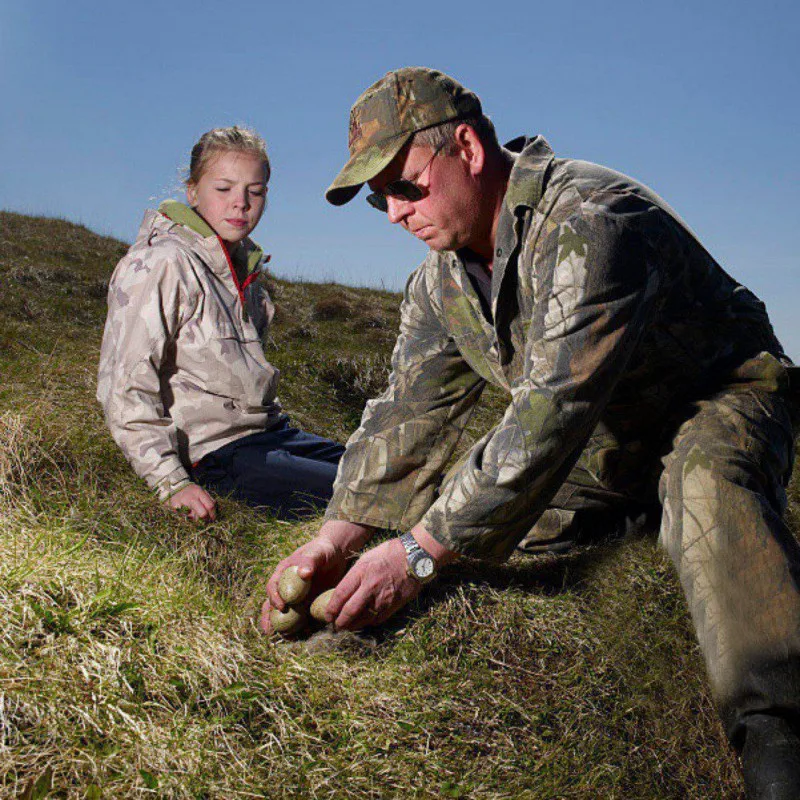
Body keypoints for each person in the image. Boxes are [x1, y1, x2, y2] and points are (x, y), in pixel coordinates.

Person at [261, 68, 800, 796]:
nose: (392, 211)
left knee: (704, 486)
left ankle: (778, 738)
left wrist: (415, 557)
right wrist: (338, 537)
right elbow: (408, 411)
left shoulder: (592, 220)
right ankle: (642, 509)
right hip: (609, 436)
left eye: (404, 184)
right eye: (376, 197)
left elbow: (549, 413)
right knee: (467, 526)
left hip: (718, 398)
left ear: (467, 150)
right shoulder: (439, 281)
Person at [97, 126, 344, 521]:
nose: (241, 204)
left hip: (268, 435)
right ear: (193, 192)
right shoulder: (161, 264)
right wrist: (171, 482)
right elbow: (124, 387)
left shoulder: (241, 269)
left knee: (383, 475)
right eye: (224, 189)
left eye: (256, 191)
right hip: (212, 455)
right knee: (366, 498)